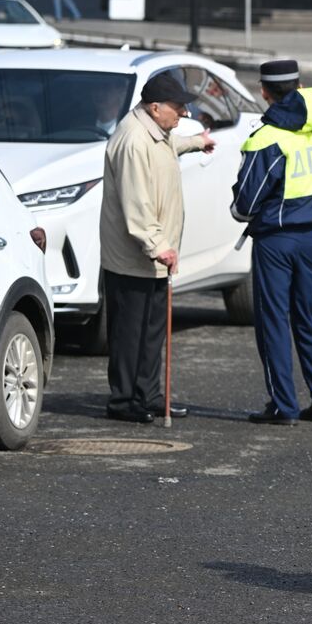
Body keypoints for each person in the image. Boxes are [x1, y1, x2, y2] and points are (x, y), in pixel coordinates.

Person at [232, 60, 312, 426]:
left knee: (273, 322)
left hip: (276, 240)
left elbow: (245, 204)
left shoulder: (267, 137)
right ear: (299, 85)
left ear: (264, 91)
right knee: (306, 317)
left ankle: (284, 406)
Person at [99, 73, 214, 423]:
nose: (183, 112)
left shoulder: (155, 131)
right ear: (155, 107)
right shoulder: (133, 140)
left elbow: (166, 148)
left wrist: (195, 142)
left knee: (152, 329)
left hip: (153, 256)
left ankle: (147, 395)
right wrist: (158, 245)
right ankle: (124, 401)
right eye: (178, 107)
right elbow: (137, 203)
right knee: (130, 332)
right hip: (134, 256)